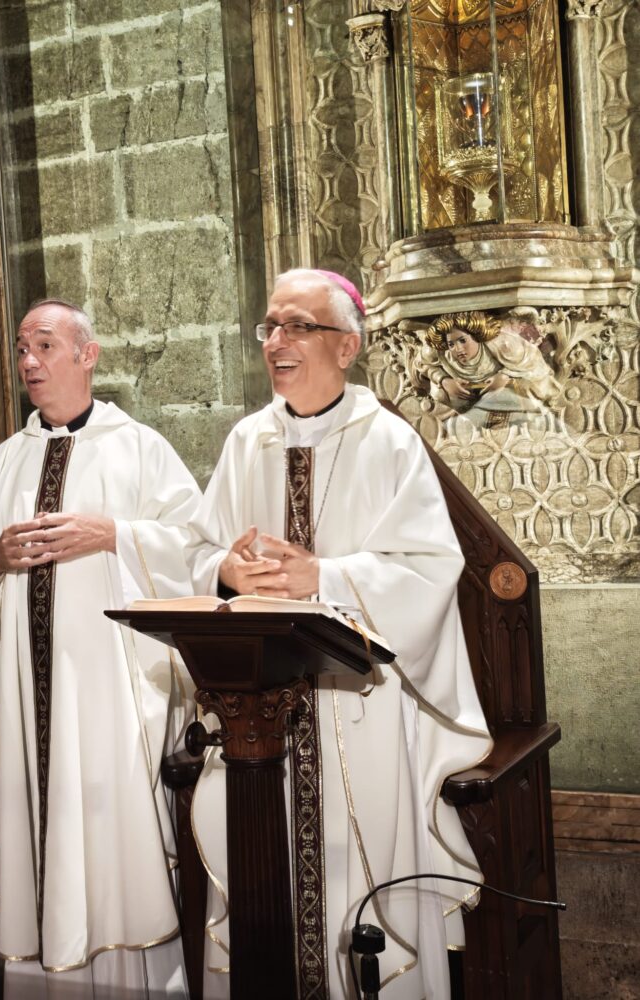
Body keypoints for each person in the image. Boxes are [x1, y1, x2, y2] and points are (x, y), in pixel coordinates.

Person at [186, 270, 493, 999]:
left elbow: (427, 570)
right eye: (270, 327)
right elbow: (197, 550)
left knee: (362, 903)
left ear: (347, 346)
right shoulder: (245, 441)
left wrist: (320, 577)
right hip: (258, 712)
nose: (277, 343)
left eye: (297, 326)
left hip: (361, 707)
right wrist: (226, 571)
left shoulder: (387, 443)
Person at [0, 300, 201, 999]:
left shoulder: (140, 449)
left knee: (113, 852)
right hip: (30, 703)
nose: (28, 362)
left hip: (111, 701)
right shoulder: (4, 463)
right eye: (22, 349)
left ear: (88, 355)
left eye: (44, 346)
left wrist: (115, 535)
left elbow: (200, 551)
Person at [424, 311, 561, 430]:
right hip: (470, 396)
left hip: (512, 388)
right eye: (451, 344)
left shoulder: (502, 344)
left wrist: (505, 376)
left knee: (511, 391)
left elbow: (534, 362)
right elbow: (424, 364)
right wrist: (444, 380)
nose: (458, 349)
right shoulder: (444, 355)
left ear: (477, 336)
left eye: (463, 340)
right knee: (439, 392)